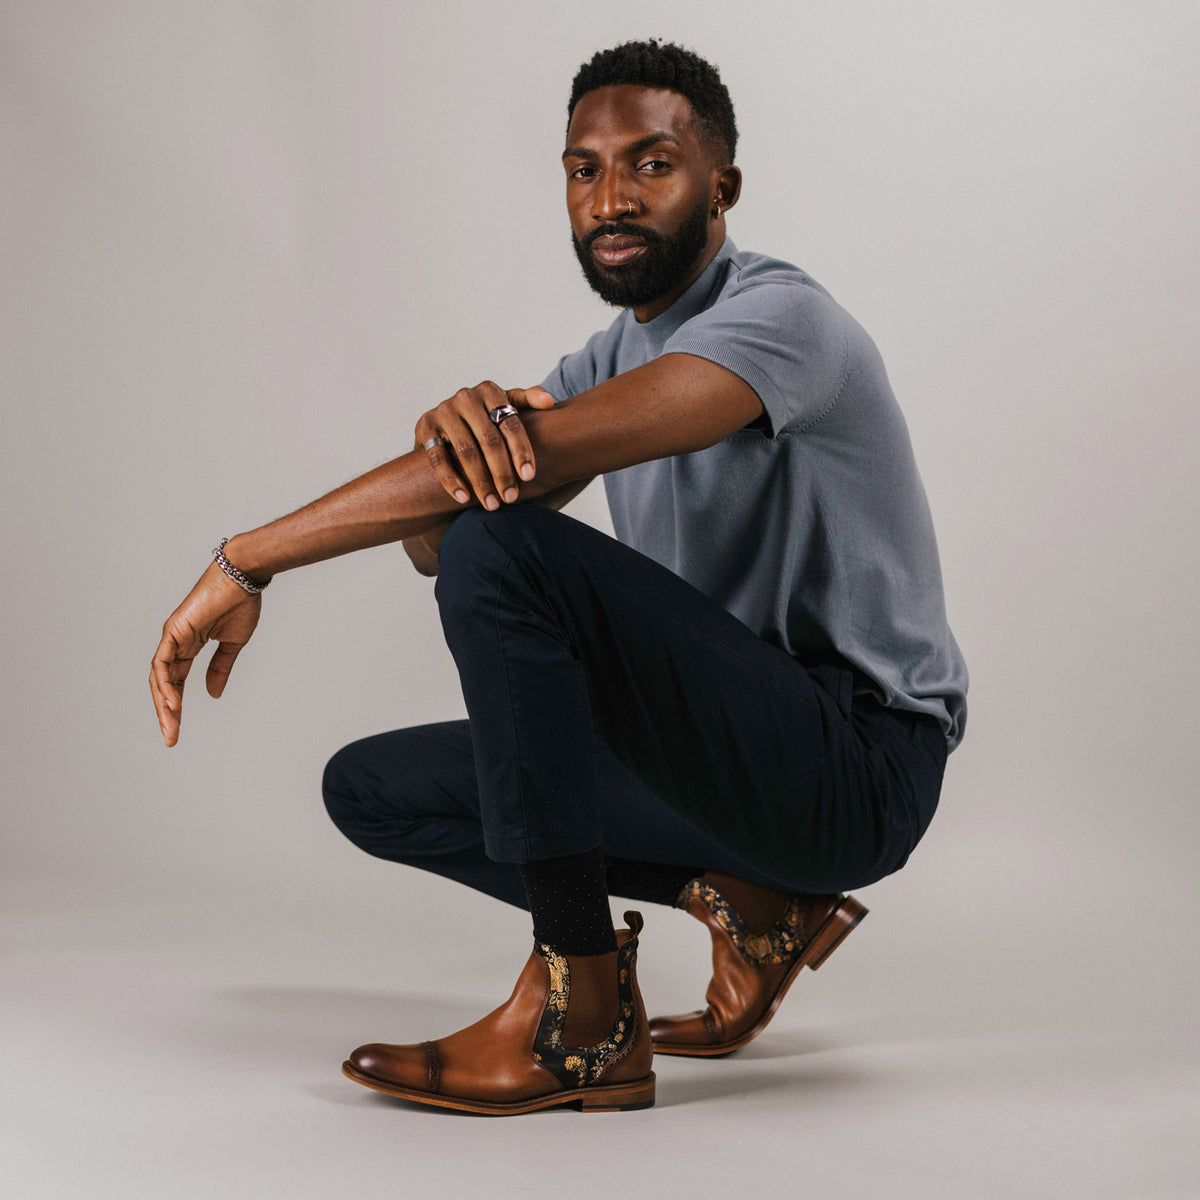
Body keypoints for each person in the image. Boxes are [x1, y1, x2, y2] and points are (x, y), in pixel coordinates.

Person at [150, 40, 967, 1116]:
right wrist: (453, 457)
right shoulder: (606, 360)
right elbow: (449, 542)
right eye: (584, 169)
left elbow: (511, 514)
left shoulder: (785, 322)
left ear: (721, 186)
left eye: (651, 163)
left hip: (856, 766)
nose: (612, 196)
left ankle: (581, 1017)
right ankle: (758, 906)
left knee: (505, 544)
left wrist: (246, 560)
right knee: (375, 792)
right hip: (720, 762)